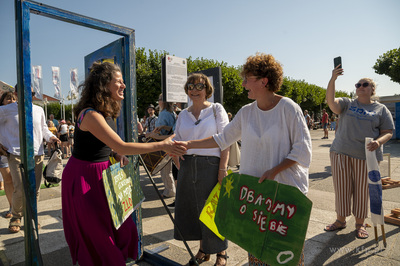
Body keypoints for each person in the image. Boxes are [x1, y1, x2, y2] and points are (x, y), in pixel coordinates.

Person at [175, 53, 312, 265]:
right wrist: (189, 145)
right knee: (256, 250)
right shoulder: (246, 112)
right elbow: (222, 139)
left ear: (264, 81)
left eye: (247, 79)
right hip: (256, 195)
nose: (243, 83)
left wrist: (274, 170)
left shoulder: (289, 108)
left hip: (284, 194)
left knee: (284, 255)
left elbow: (302, 150)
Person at [61, 61, 186, 266]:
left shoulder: (104, 113)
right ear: (104, 85)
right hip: (85, 178)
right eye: (118, 81)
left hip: (102, 174)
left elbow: (109, 145)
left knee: (122, 227)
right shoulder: (90, 114)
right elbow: (123, 145)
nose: (124, 86)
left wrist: (114, 154)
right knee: (100, 236)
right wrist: (161, 145)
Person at [324, 65, 394, 239]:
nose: (360, 87)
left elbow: (388, 132)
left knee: (363, 191)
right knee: (342, 189)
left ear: (372, 89)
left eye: (365, 84)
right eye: (358, 84)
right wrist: (333, 79)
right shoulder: (348, 103)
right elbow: (331, 103)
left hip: (366, 156)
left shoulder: (380, 109)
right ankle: (340, 220)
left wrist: (378, 142)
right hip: (341, 152)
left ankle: (360, 223)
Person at [172, 73, 229, 266]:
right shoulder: (182, 115)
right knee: (195, 210)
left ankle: (221, 252)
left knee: (213, 209)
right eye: (190, 86)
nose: (194, 89)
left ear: (207, 90)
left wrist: (223, 168)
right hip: (188, 166)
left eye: (199, 86)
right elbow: (176, 141)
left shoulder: (216, 109)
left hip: (211, 166)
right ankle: (203, 250)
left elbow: (225, 140)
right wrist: (177, 161)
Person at [0, 86, 60, 233]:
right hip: (15, 154)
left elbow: (44, 128)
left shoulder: (39, 109)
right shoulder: (6, 110)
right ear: (16, 93)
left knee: (35, 189)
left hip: (36, 155)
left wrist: (51, 137)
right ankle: (16, 216)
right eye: (26, 92)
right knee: (19, 187)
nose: (30, 95)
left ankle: (32, 216)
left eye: (32, 93)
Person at [146, 93, 177, 198]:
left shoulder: (163, 113)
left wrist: (151, 134)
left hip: (164, 143)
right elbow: (172, 128)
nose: (158, 101)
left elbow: (159, 132)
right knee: (168, 169)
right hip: (170, 142)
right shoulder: (171, 112)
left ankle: (170, 191)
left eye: (159, 99)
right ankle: (170, 190)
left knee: (165, 170)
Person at [0, 92, 16, 219]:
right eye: (8, 98)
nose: (11, 100)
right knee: (8, 179)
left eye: (14, 98)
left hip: (17, 151)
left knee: (17, 180)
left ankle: (18, 206)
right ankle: (12, 206)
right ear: (3, 101)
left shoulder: (18, 114)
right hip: (3, 152)